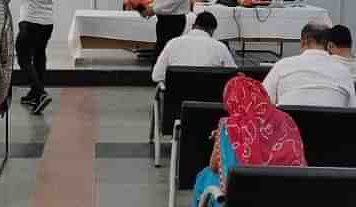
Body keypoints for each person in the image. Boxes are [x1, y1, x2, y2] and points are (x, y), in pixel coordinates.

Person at [191, 75, 307, 207]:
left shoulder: (230, 125)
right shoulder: (286, 119)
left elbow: (214, 165)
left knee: (205, 175)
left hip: (242, 195)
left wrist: (220, 138)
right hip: (286, 194)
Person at [2, 0, 58, 115]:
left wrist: (6, 1)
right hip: (47, 22)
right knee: (40, 54)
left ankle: (40, 93)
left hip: (30, 21)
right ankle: (34, 94)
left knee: (24, 57)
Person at [262, 22, 356, 107]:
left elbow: (262, 101)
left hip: (291, 124)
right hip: (331, 125)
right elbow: (352, 109)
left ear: (302, 42)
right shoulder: (343, 72)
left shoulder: (282, 66)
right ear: (328, 45)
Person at [152, 12, 236, 83]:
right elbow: (233, 75)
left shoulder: (173, 43)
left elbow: (156, 76)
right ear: (212, 31)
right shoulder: (220, 47)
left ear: (193, 26)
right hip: (209, 100)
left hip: (176, 99)